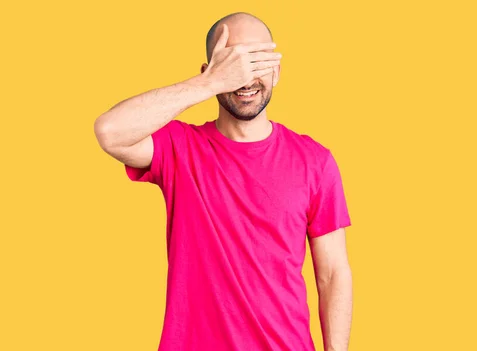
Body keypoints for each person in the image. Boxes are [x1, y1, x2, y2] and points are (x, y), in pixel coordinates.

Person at [94, 11, 353, 351]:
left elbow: (332, 273)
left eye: (256, 61)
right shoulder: (179, 149)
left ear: (276, 70)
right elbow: (110, 131)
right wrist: (210, 83)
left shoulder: (315, 160)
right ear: (211, 70)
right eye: (233, 62)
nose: (245, 77)